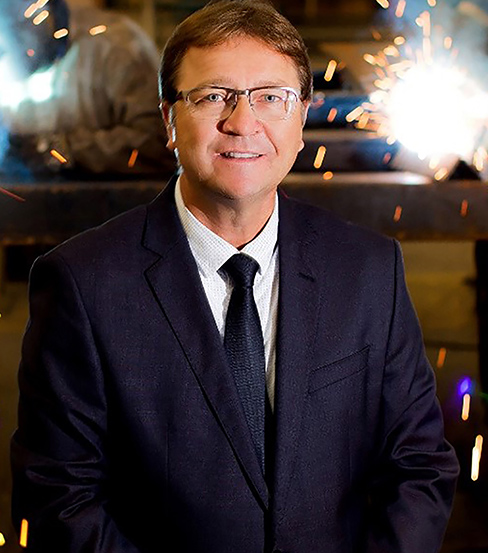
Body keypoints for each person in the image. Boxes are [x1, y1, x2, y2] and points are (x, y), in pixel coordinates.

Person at [11, 1, 459, 552]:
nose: (243, 123)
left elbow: (419, 466)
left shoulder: (370, 269)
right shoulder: (82, 284)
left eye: (271, 97)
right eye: (212, 96)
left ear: (301, 119)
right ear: (169, 120)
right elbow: (60, 498)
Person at [0, 0, 175, 177]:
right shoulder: (28, 46)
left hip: (127, 192)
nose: (10, 52)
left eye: (17, 32)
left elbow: (156, 141)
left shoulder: (115, 45)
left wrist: (61, 148)